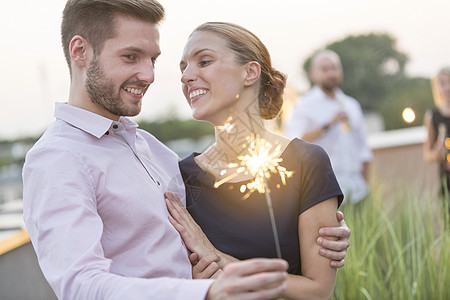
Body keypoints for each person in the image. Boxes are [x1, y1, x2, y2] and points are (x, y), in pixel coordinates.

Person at [21, 1, 347, 300]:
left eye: (153, 60)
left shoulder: (156, 152)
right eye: (130, 56)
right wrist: (204, 290)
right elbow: (81, 286)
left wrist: (324, 231)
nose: (149, 76)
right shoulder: (56, 159)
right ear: (80, 52)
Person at [165, 22, 348, 300]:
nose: (187, 76)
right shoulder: (181, 178)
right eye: (183, 68)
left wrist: (215, 257)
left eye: (204, 61)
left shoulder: (306, 162)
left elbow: (316, 292)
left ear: (250, 72)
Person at [284, 49, 372, 205]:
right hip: (326, 193)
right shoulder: (304, 106)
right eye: (325, 69)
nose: (331, 73)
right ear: (313, 74)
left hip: (358, 192)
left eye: (335, 68)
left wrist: (366, 184)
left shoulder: (351, 105)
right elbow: (293, 143)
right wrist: (327, 125)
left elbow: (363, 148)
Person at [423, 67, 450, 205]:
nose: (447, 88)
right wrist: (437, 153)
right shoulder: (432, 116)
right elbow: (427, 155)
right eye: (443, 83)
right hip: (447, 182)